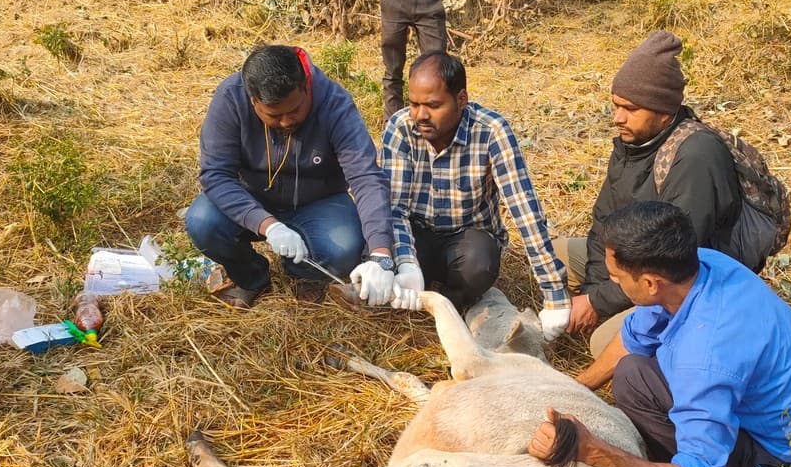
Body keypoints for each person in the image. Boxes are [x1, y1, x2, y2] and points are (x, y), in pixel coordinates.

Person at [531, 201, 791, 467]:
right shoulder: (702, 267)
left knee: (639, 384)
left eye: (617, 277)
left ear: (651, 283)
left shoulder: (705, 354)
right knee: (633, 374)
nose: (611, 281)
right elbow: (634, 337)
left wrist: (591, 450)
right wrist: (573, 388)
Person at [555, 30, 742, 356]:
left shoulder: (697, 156)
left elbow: (670, 262)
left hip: (680, 284)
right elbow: (604, 225)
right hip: (630, 265)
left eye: (629, 108)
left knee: (605, 346)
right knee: (551, 254)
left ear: (664, 113)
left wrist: (597, 303)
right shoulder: (633, 141)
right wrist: (592, 290)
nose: (617, 118)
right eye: (616, 106)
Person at [185, 45, 396, 308]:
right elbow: (216, 175)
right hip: (251, 197)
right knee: (203, 222)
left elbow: (366, 176)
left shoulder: (334, 103)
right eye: (274, 115)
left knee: (344, 248)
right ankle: (251, 277)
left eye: (295, 110)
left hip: (319, 201)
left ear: (306, 86)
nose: (286, 122)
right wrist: (268, 225)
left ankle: (303, 274)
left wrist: (380, 254)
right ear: (253, 102)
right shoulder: (231, 98)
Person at [381, 51, 571, 341]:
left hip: (467, 237)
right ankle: (418, 281)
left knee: (477, 266)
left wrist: (554, 292)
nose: (420, 115)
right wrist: (406, 262)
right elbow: (395, 209)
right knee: (378, 243)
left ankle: (451, 296)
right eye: (414, 104)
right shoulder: (401, 128)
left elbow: (524, 209)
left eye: (433, 105)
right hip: (417, 232)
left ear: (461, 100)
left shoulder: (491, 131)